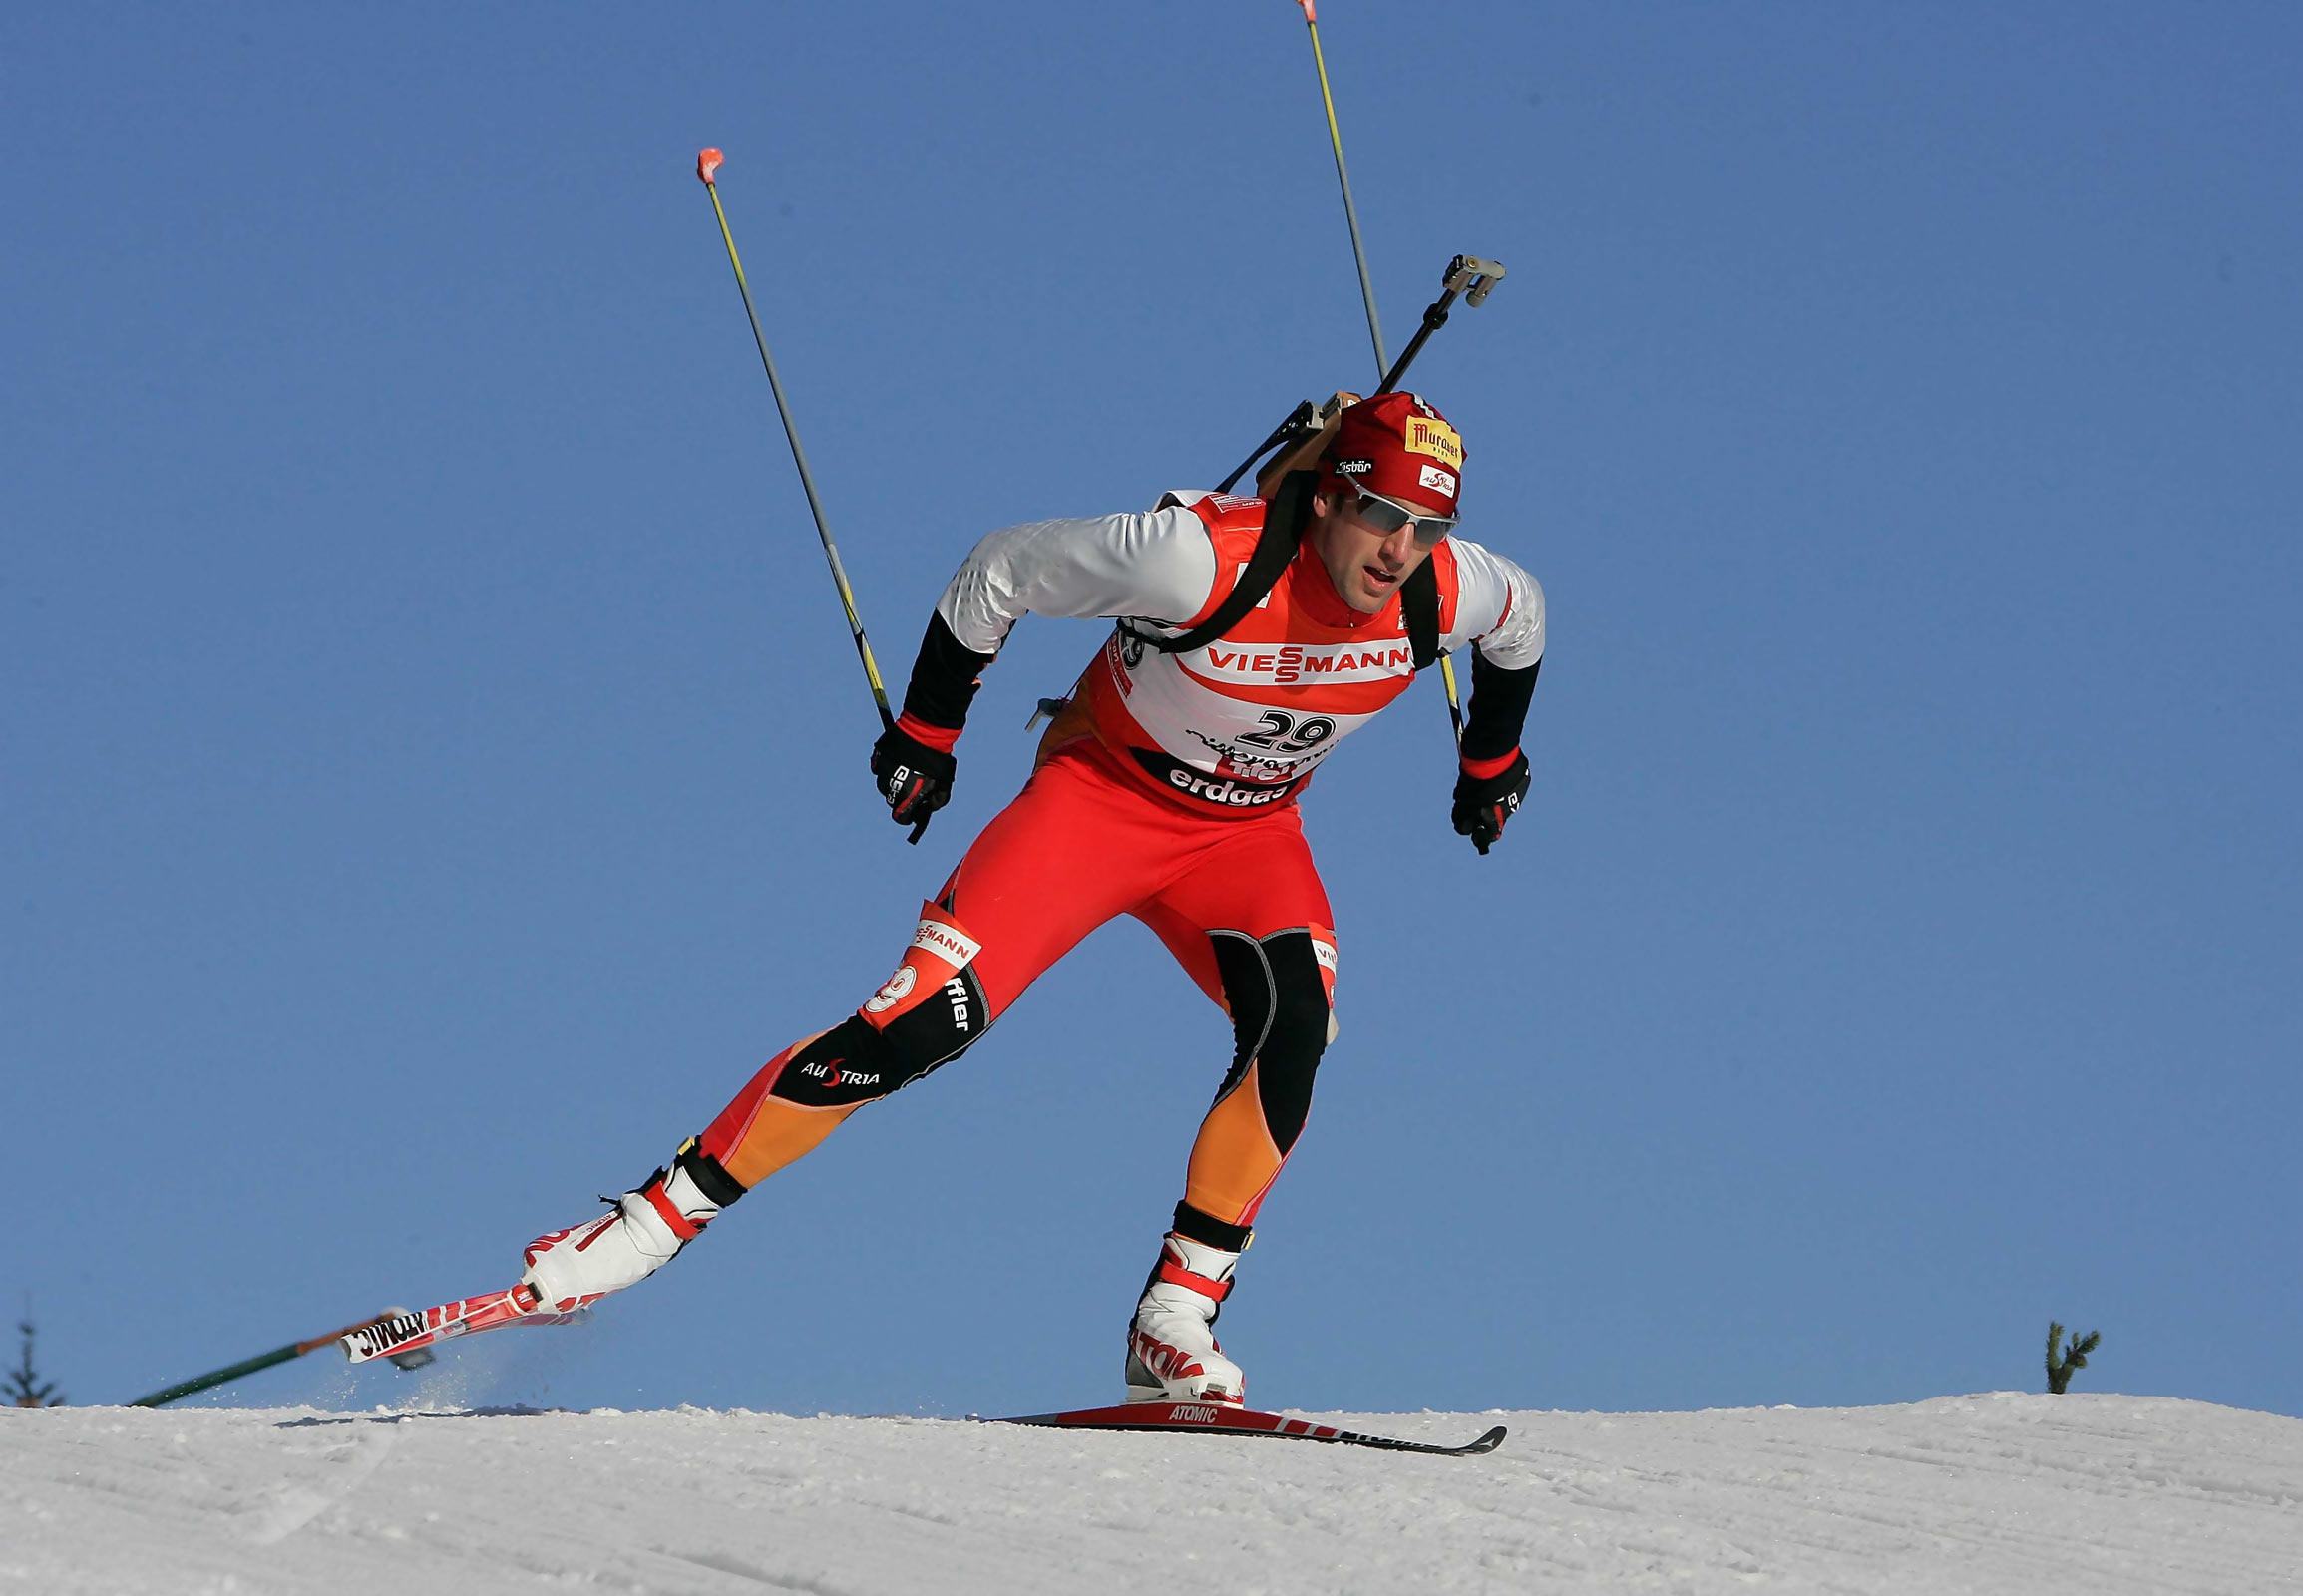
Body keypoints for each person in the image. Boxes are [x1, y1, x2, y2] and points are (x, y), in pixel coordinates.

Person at [515, 391, 1543, 1405]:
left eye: (1428, 525)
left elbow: (1522, 625)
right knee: (920, 1023)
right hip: (1097, 805)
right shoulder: (1194, 559)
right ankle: (636, 1230)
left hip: (1247, 836)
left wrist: (1489, 763)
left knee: (1295, 1028)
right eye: (1381, 513)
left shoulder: (1448, 590)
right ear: (1325, 496)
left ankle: (1174, 1316)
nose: (1400, 547)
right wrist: (928, 730)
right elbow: (1000, 566)